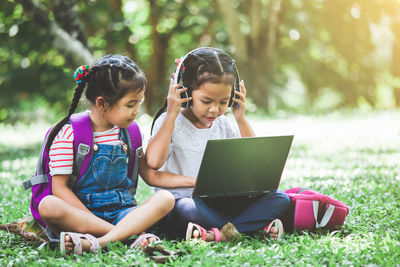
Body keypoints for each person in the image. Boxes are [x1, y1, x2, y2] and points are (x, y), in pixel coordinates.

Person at [38, 55, 195, 254]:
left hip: (124, 213)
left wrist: (196, 181)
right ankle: (129, 237)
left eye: (140, 102)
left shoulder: (131, 132)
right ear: (102, 103)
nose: (137, 111)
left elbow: (152, 176)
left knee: (165, 198)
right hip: (82, 214)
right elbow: (59, 189)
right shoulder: (70, 133)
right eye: (130, 105)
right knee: (49, 205)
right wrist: (92, 221)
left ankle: (97, 243)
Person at [146, 47, 290, 242]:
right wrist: (171, 114)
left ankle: (217, 234)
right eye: (206, 101)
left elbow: (255, 164)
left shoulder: (222, 124)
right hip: (187, 203)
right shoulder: (170, 121)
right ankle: (249, 226)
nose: (215, 110)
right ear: (186, 91)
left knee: (280, 198)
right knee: (183, 209)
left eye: (223, 101)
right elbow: (154, 163)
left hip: (219, 203)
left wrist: (241, 119)